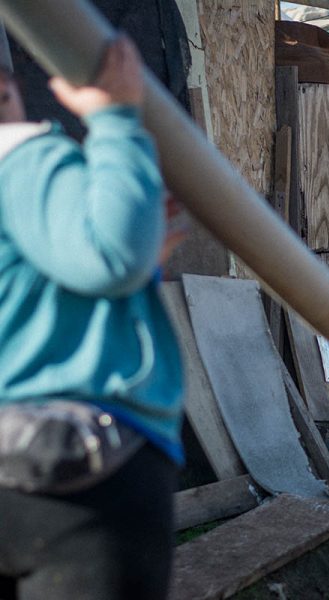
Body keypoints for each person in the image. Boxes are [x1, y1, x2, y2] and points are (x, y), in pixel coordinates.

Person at [0, 36, 183, 599]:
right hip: (81, 472)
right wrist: (116, 121)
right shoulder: (20, 156)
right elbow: (111, 257)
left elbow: (29, 289)